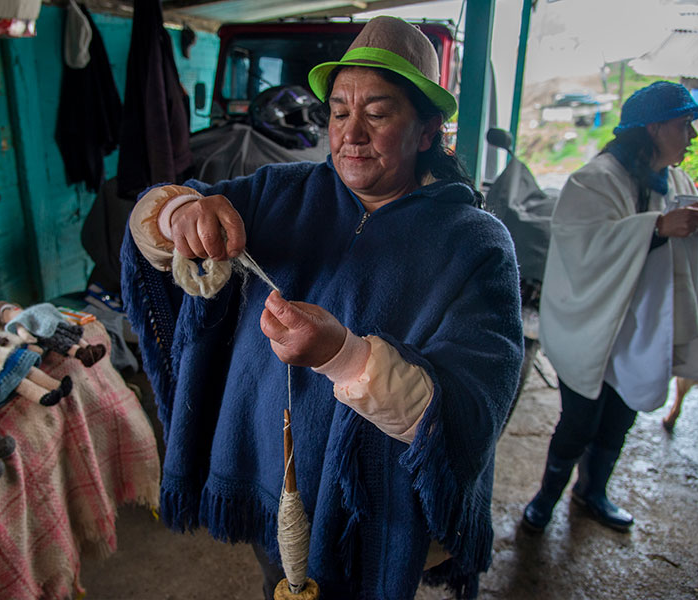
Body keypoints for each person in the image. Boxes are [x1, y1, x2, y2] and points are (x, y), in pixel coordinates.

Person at [121, 16, 522, 599]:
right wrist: (180, 213)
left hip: (376, 510)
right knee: (278, 579)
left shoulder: (474, 243)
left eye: (378, 114)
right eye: (338, 112)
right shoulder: (280, 192)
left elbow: (472, 406)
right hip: (269, 478)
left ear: (429, 130)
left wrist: (343, 356)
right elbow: (150, 223)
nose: (350, 135)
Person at [524, 81, 698, 533]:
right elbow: (581, 247)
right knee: (578, 422)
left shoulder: (676, 179)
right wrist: (659, 226)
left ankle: (592, 492)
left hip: (640, 329)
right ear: (653, 128)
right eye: (684, 125)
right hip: (591, 329)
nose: (693, 136)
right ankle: (545, 500)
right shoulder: (596, 179)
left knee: (619, 418)